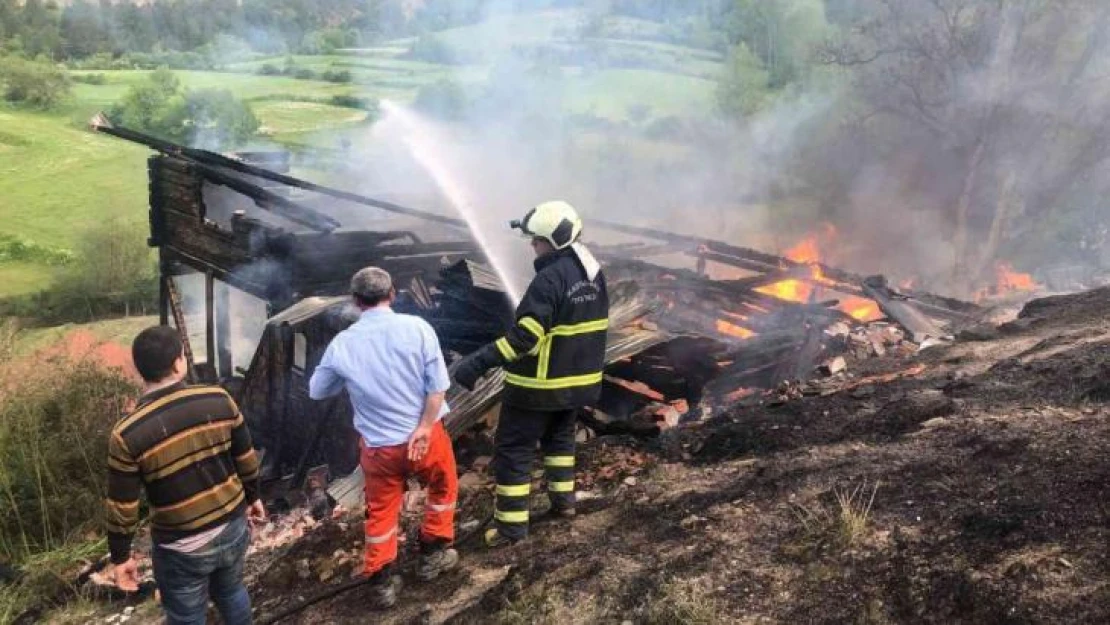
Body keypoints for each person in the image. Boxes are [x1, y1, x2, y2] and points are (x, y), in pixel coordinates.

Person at [453, 200, 609, 547]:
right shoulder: (593, 273)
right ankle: (564, 504)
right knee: (560, 441)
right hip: (577, 384)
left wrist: (477, 363)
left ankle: (510, 529)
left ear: (552, 242)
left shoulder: (549, 280)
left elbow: (525, 337)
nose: (532, 245)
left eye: (535, 240)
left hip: (538, 386)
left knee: (514, 451)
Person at [309, 266, 459, 609]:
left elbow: (318, 391)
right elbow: (437, 387)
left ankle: (382, 582)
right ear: (392, 295)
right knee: (443, 486)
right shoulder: (418, 329)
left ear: (355, 301)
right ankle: (432, 556)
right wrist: (422, 428)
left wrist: (345, 376)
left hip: (379, 449)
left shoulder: (343, 344)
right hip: (425, 437)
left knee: (381, 510)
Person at [103, 326, 266, 625]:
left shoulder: (127, 433)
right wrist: (253, 497)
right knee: (231, 593)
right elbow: (247, 458)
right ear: (180, 362)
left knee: (186, 616)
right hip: (231, 526)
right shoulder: (218, 398)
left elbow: (121, 506)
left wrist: (121, 556)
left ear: (141, 370)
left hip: (181, 546)